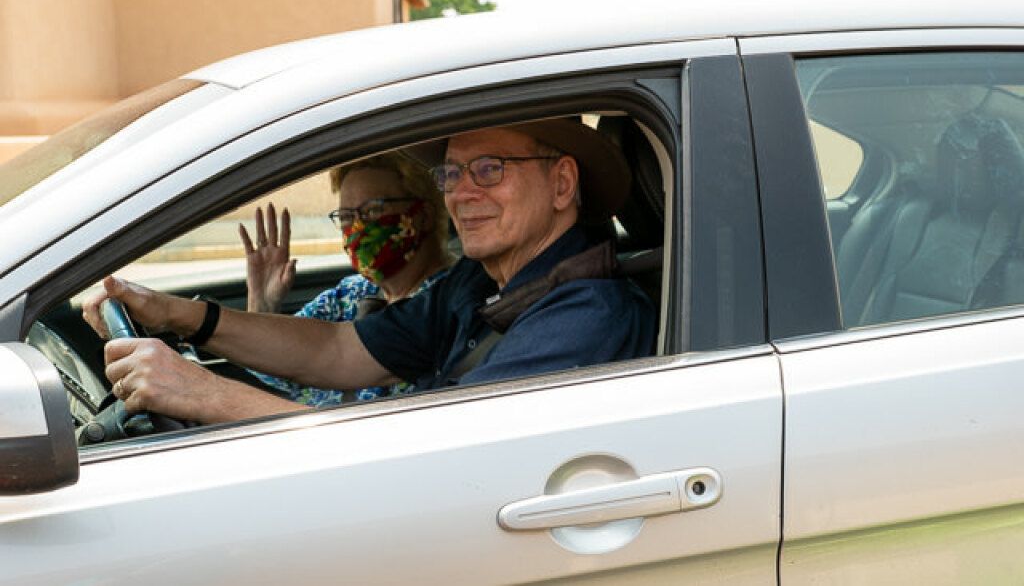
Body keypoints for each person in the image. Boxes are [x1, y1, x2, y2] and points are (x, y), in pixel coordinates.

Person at [83, 118, 656, 424]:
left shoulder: (585, 314)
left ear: (561, 184)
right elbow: (337, 349)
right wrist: (176, 314)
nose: (463, 193)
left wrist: (204, 395)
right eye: (451, 175)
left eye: (489, 168)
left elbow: (433, 458)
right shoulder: (481, 282)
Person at [237, 153, 451, 407]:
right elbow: (280, 366)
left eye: (373, 210)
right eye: (347, 217)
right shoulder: (349, 295)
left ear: (422, 215)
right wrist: (263, 308)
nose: (358, 228)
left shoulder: (451, 300)